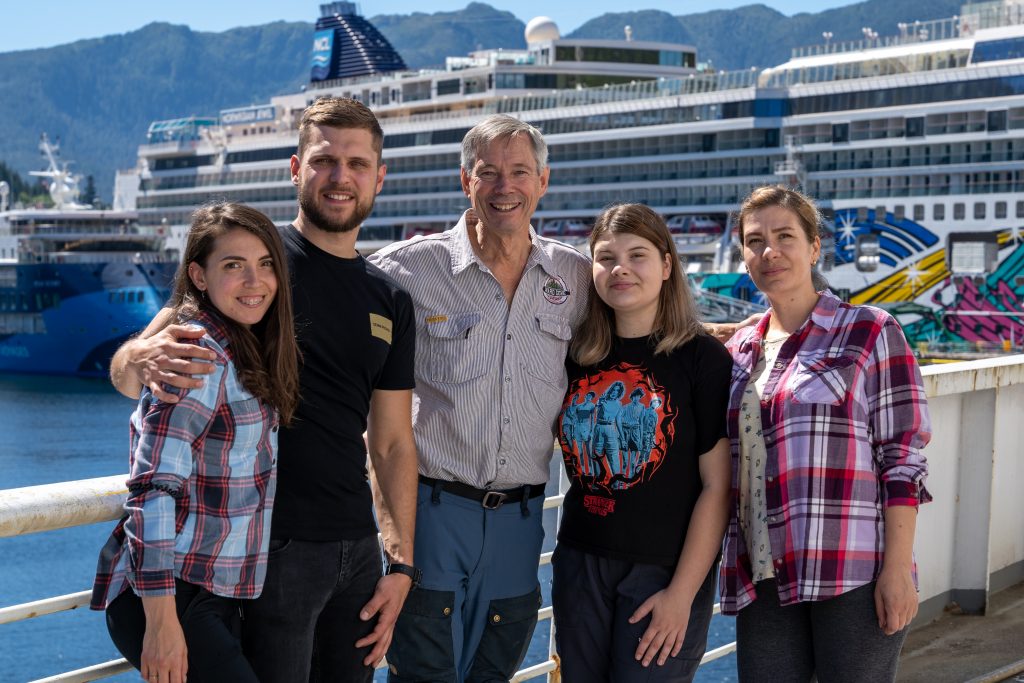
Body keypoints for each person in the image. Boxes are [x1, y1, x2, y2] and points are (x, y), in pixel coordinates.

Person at [108, 97, 419, 682]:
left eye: (356, 164)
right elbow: (133, 371)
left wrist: (400, 564)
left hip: (356, 548)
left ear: (379, 176)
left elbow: (395, 442)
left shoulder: (390, 299)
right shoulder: (253, 263)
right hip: (271, 551)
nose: (340, 177)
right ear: (296, 168)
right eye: (325, 161)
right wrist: (136, 358)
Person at [368, 114, 592, 682]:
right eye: (488, 173)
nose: (504, 187)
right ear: (465, 181)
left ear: (543, 181)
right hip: (433, 514)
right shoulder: (408, 271)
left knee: (494, 674)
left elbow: (651, 324)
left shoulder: (576, 276)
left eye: (519, 172)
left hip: (522, 525)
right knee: (424, 674)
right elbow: (315, 300)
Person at [719, 185, 932, 682]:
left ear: (815, 247)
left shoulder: (871, 331)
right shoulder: (739, 351)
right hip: (763, 574)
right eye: (754, 241)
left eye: (784, 236)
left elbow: (902, 457)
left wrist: (897, 570)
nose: (768, 252)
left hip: (852, 573)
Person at [91, 202, 300, 683]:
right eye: (234, 266)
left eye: (266, 264)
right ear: (198, 276)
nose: (255, 281)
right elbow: (153, 490)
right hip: (171, 596)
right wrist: (162, 625)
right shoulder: (196, 356)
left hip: (212, 591)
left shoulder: (242, 343)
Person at [552, 203, 732, 682]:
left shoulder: (703, 359)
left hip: (663, 570)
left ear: (667, 264)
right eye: (606, 257)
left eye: (638, 255)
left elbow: (717, 486)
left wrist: (683, 594)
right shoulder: (574, 354)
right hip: (580, 562)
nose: (620, 269)